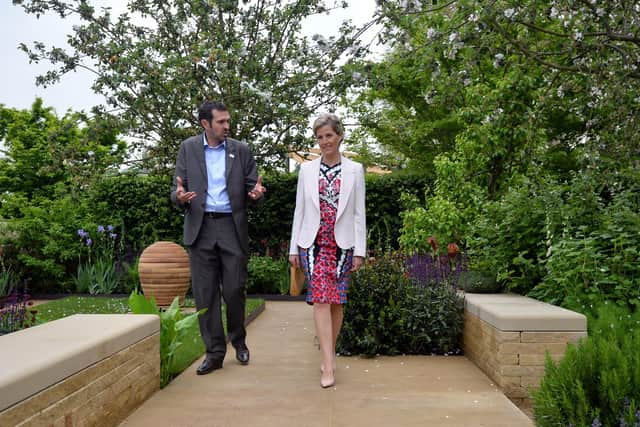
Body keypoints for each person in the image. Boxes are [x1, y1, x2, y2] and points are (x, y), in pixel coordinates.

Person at [171, 100, 265, 375]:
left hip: (231, 228)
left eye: (228, 121)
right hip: (200, 229)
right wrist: (178, 197)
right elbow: (176, 188)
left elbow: (253, 186)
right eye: (221, 121)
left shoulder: (241, 150)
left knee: (234, 290)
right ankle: (214, 353)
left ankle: (239, 340)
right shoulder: (188, 149)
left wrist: (257, 194)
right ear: (205, 124)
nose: (227, 125)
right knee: (205, 296)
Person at [288, 113, 366, 388]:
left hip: (343, 245)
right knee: (321, 300)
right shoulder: (307, 170)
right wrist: (293, 248)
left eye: (329, 136)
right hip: (312, 244)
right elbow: (300, 209)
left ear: (339, 136)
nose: (324, 142)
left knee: (336, 303)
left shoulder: (355, 169)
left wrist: (360, 250)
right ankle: (329, 365)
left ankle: (328, 354)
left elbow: (359, 213)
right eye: (320, 137)